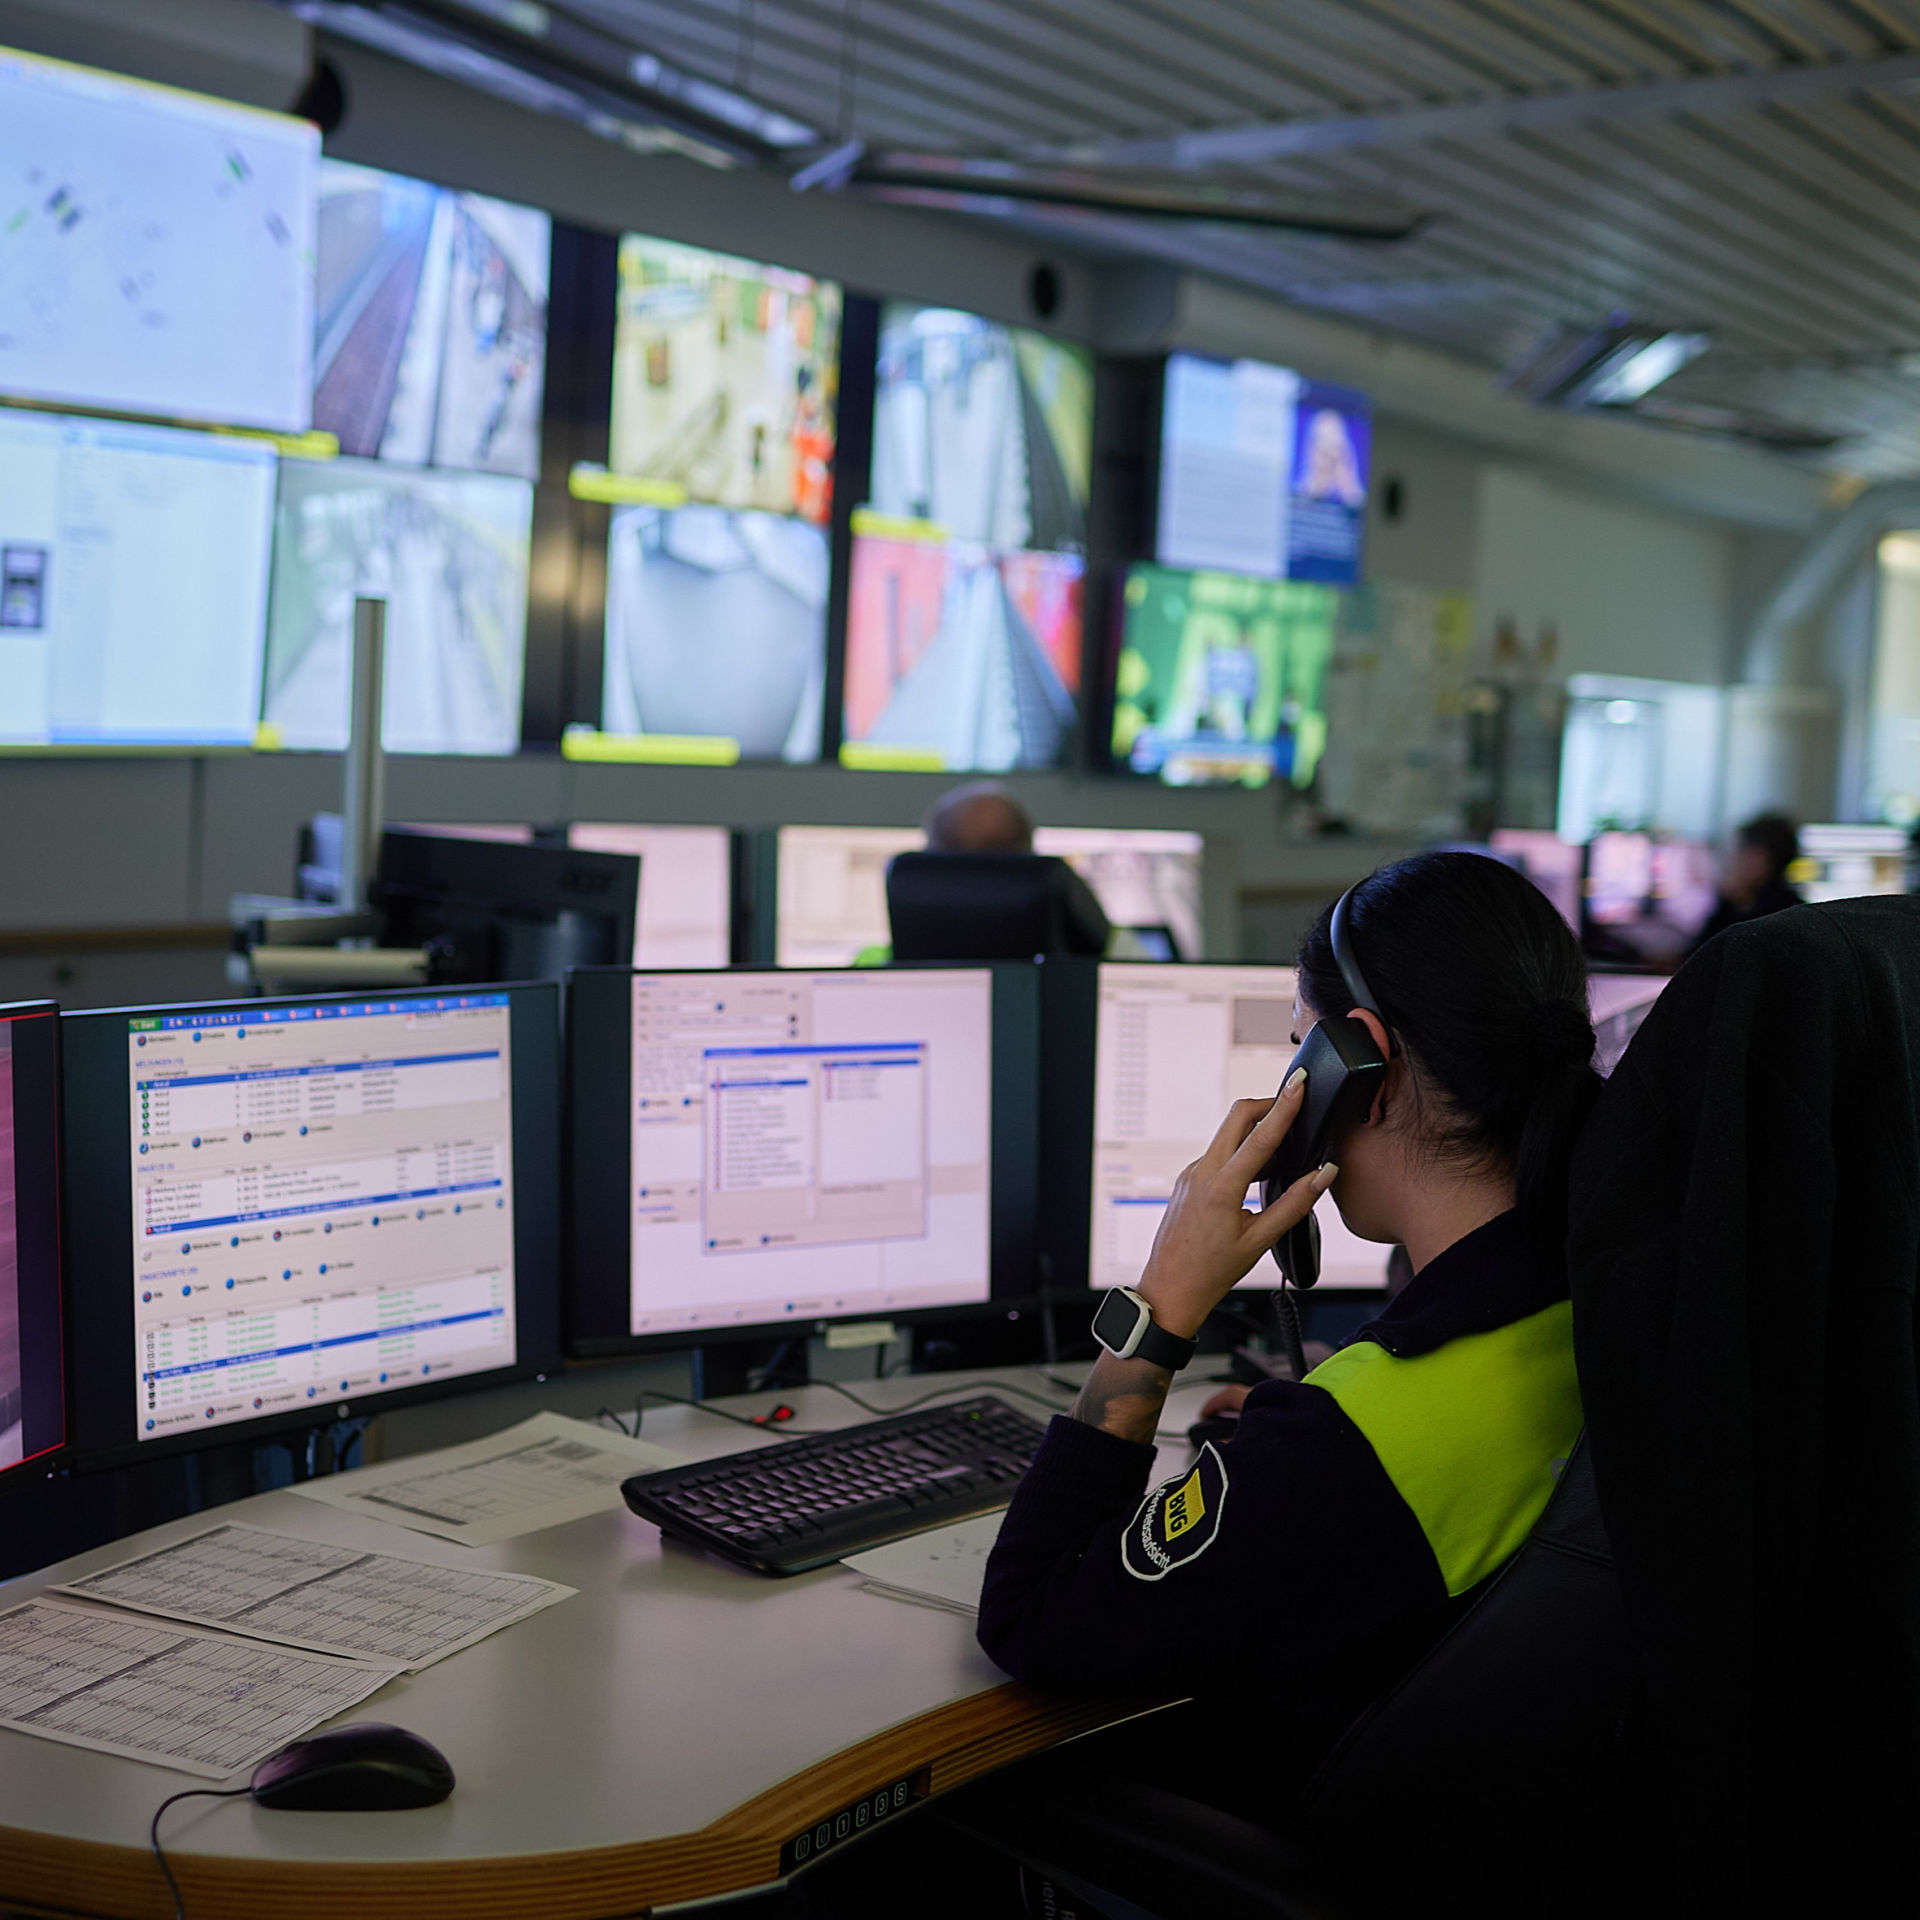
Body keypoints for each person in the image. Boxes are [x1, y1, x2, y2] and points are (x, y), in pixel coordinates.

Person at [975, 851, 1601, 1807]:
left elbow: (1031, 1615)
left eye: (1301, 1045)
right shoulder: (1608, 1299)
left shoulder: (1353, 1444)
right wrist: (1272, 1449)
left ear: (1362, 1070)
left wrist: (1160, 1307)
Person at [1689, 810, 1802, 952]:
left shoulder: (1778, 919)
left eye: (1738, 852)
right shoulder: (1734, 905)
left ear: (1759, 858)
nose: (1731, 862)